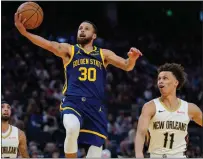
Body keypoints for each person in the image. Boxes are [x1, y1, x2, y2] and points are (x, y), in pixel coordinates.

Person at [14, 13, 142, 158]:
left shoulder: (103, 54)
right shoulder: (70, 50)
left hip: (95, 106)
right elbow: (48, 44)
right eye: (80, 28)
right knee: (72, 127)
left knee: (96, 151)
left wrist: (132, 59)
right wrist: (24, 32)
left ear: (94, 36)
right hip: (73, 101)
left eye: (86, 28)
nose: (81, 30)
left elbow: (127, 66)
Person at [135, 63, 203, 158]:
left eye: (165, 78)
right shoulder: (150, 107)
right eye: (159, 78)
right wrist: (139, 155)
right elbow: (141, 133)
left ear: (176, 82)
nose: (160, 81)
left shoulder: (189, 108)